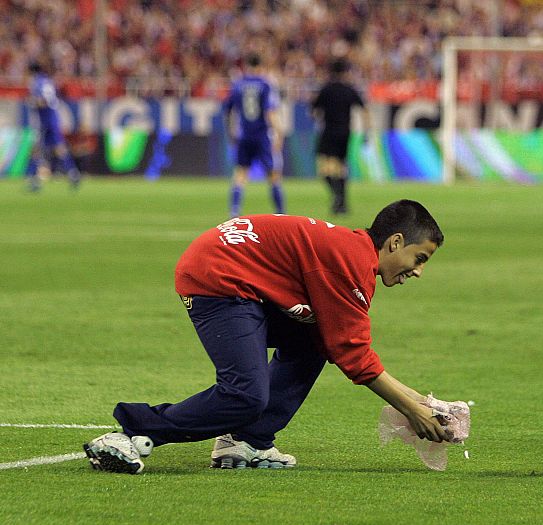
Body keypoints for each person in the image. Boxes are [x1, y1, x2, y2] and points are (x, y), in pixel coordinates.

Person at [84, 199, 449, 474]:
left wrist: (424, 404)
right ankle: (132, 433)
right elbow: (355, 356)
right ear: (395, 242)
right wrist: (413, 409)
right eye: (419, 258)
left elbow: (342, 347)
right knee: (244, 394)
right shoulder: (351, 261)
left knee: (315, 340)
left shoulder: (352, 253)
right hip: (218, 279)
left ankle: (248, 441)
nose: (417, 271)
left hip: (240, 278)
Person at [222, 53, 285, 217]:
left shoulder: (237, 84)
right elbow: (269, 112)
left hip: (243, 135)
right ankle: (280, 212)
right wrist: (279, 133)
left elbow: (227, 111)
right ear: (261, 66)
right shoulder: (265, 84)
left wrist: (230, 132)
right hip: (262, 136)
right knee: (273, 175)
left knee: (240, 174)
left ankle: (234, 210)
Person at [311, 58, 371, 214]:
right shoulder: (349, 89)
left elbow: (314, 111)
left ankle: (337, 196)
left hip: (329, 131)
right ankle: (342, 203)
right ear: (345, 72)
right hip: (345, 132)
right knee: (342, 167)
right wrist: (366, 132)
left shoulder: (326, 89)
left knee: (325, 169)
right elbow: (364, 111)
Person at [26, 62, 81, 192]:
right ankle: (73, 173)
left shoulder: (36, 82)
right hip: (53, 118)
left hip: (45, 120)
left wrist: (32, 101)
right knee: (59, 148)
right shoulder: (47, 81)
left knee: (36, 149)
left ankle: (35, 180)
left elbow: (43, 101)